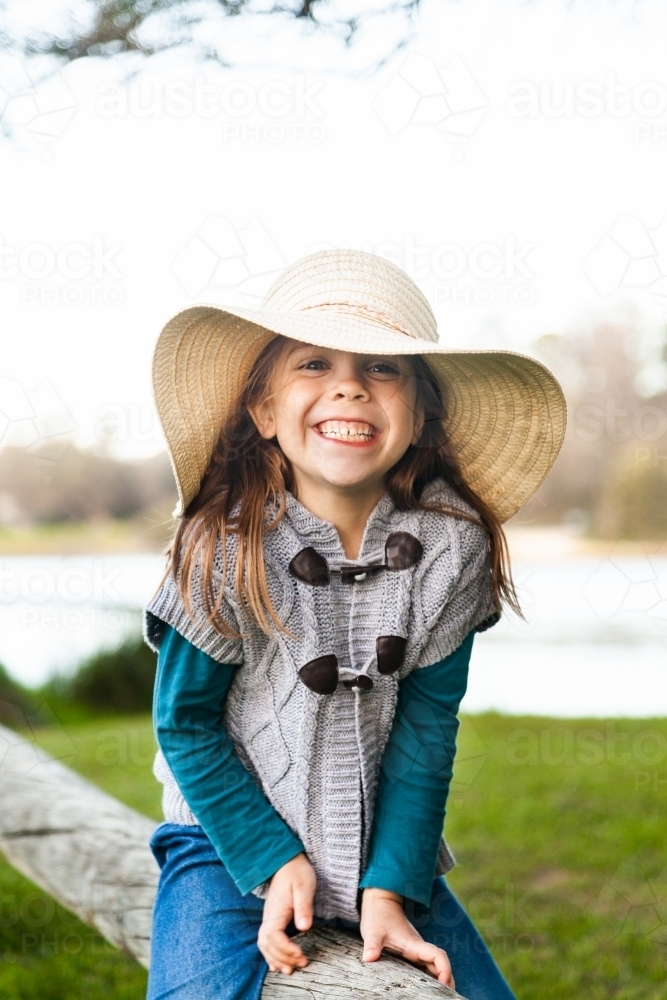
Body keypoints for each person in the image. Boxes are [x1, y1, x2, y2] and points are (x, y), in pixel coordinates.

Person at [142, 248, 565, 1000]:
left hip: (379, 846)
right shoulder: (222, 546)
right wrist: (273, 860)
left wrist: (391, 887)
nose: (348, 384)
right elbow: (185, 726)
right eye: (312, 363)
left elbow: (427, 728)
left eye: (380, 366)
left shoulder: (451, 545)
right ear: (264, 410)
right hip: (223, 841)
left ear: (421, 412)